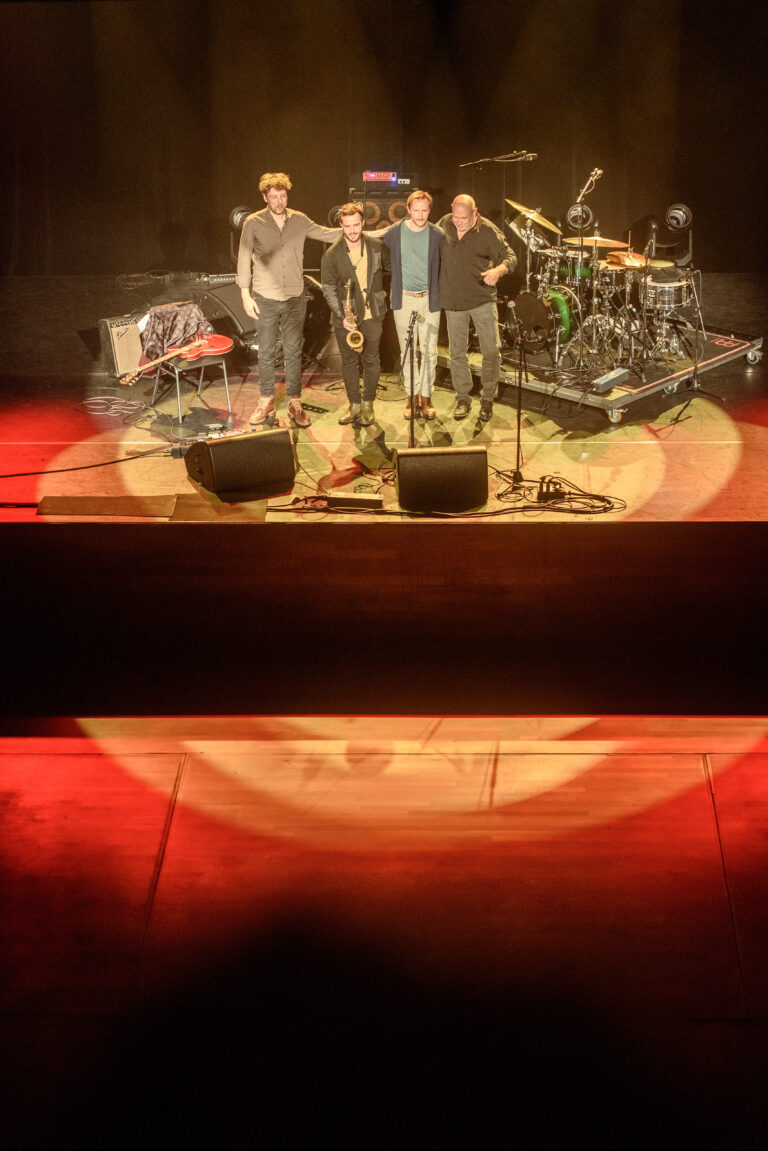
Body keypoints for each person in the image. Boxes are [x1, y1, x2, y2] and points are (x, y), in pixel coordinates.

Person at [236, 172, 340, 428]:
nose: (279, 202)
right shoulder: (254, 222)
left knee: (294, 352)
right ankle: (266, 400)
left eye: (283, 196)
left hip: (294, 297)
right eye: (274, 197)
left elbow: (327, 234)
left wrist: (356, 229)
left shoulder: (299, 220)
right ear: (265, 197)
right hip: (265, 297)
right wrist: (245, 294)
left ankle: (294, 401)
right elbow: (243, 257)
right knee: (267, 352)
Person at [437, 194, 516, 421]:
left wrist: (498, 271)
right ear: (451, 209)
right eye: (455, 216)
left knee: (491, 351)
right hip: (454, 301)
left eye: (464, 218)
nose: (458, 222)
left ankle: (488, 399)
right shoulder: (444, 223)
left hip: (482, 299)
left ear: (475, 212)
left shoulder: (488, 231)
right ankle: (462, 398)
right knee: (457, 353)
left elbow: (510, 256)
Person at [320, 203, 390, 427]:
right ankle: (354, 405)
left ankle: (368, 404)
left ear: (363, 223)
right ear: (341, 225)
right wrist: (341, 315)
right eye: (347, 226)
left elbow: (390, 269)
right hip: (346, 319)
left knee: (371, 360)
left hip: (373, 314)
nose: (352, 230)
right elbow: (328, 288)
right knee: (349, 363)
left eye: (356, 225)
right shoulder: (331, 255)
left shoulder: (377, 246)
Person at [380, 190, 444, 420]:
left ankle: (426, 396)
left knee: (429, 352)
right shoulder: (395, 232)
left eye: (424, 210)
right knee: (407, 351)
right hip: (403, 298)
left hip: (429, 299)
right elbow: (375, 237)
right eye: (415, 210)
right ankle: (411, 395)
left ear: (430, 210)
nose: (420, 214)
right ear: (407, 210)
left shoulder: (438, 234)